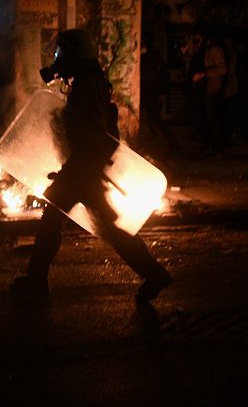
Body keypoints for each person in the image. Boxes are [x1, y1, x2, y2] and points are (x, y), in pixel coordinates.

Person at [10, 28, 172, 303]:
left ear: (76, 53)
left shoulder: (89, 86)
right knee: (80, 224)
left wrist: (73, 169)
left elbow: (92, 134)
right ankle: (152, 273)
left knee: (69, 224)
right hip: (82, 170)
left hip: (83, 171)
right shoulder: (86, 82)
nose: (58, 57)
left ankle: (37, 281)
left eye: (62, 52)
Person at [186, 25, 228, 155]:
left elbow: (223, 69)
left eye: (198, 36)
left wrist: (204, 74)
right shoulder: (204, 49)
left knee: (212, 119)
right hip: (204, 89)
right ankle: (211, 144)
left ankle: (217, 148)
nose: (197, 39)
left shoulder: (215, 50)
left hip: (212, 89)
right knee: (204, 118)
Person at [139, 33, 178, 152]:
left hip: (151, 91)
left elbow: (153, 75)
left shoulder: (152, 57)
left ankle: (172, 142)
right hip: (148, 91)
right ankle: (160, 138)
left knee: (155, 117)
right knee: (151, 117)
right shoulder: (148, 56)